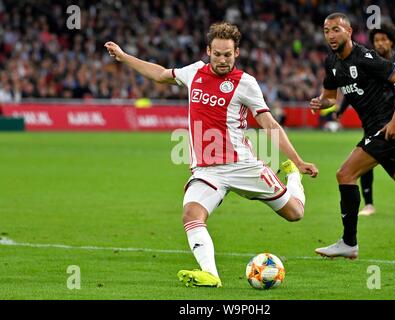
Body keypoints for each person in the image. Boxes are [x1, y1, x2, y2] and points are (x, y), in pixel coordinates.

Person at [105, 22, 318, 286]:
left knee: (295, 213)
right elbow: (160, 74)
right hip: (207, 170)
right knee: (191, 214)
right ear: (208, 50)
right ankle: (211, 275)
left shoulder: (246, 83)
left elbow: (269, 125)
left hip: (242, 166)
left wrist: (297, 160)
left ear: (236, 53)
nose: (222, 59)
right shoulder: (193, 72)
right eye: (217, 54)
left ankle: (293, 176)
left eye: (227, 54)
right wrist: (124, 57)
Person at [311, 13, 395, 259]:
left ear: (349, 31)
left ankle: (349, 242)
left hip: (387, 128)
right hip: (379, 131)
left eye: (336, 30)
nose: (331, 35)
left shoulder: (365, 57)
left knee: (345, 174)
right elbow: (331, 98)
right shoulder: (331, 63)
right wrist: (320, 103)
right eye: (326, 31)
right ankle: (349, 243)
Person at [335, 23, 395, 217]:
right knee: (362, 163)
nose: (380, 43)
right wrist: (340, 109)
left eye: (384, 39)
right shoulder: (369, 61)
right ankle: (369, 204)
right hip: (374, 123)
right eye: (376, 40)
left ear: (391, 40)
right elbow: (352, 90)